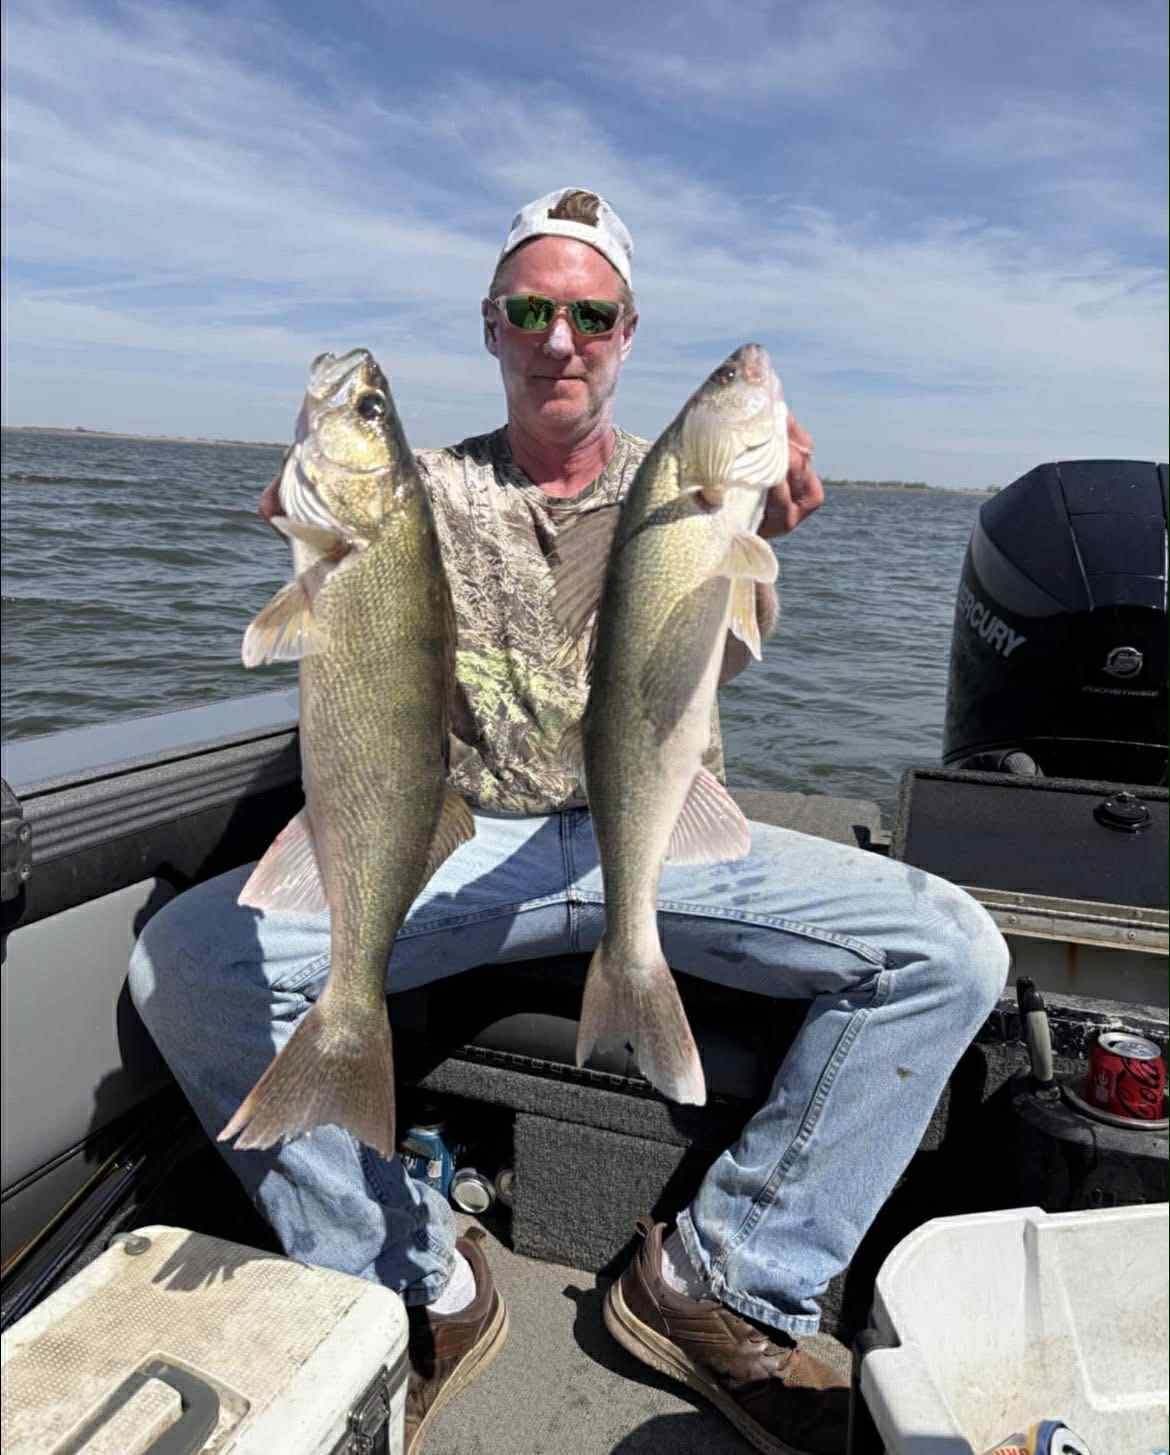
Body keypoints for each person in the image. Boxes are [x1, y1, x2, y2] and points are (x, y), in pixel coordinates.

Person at [128, 187, 1010, 1455]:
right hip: (466, 842)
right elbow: (333, 591)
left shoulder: (687, 493)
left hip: (646, 835)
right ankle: (414, 1279)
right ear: (491, 325)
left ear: (627, 330)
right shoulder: (416, 491)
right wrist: (299, 514)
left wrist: (760, 524)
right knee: (187, 962)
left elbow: (721, 657)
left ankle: (720, 1279)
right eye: (531, 310)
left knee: (954, 951)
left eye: (589, 314)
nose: (561, 339)